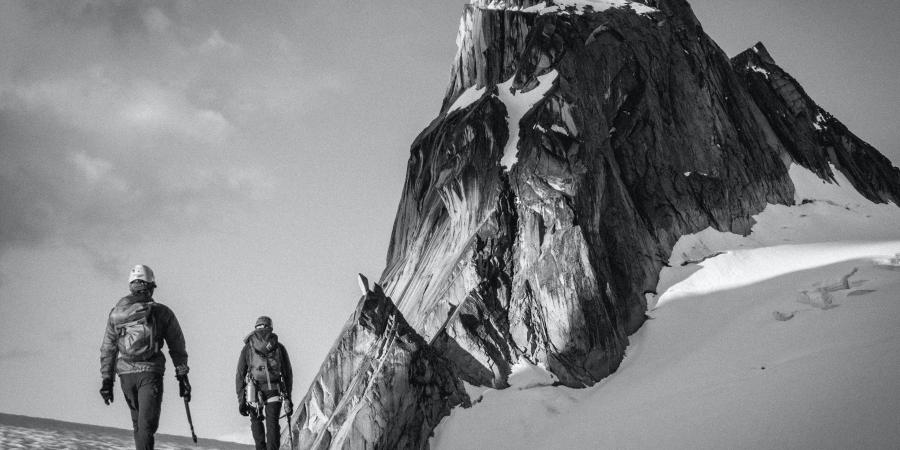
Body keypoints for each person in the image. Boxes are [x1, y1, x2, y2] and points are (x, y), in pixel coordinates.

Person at [99, 264, 191, 450]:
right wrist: (182, 374)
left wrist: (107, 381)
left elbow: (108, 348)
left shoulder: (116, 314)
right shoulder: (162, 312)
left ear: (131, 285)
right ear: (150, 285)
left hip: (125, 375)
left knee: (139, 426)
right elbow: (177, 345)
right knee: (147, 427)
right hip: (150, 373)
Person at [236, 316, 293, 450]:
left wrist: (241, 401)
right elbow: (287, 374)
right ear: (270, 328)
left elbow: (239, 375)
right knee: (272, 424)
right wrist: (288, 398)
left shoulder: (248, 348)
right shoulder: (278, 347)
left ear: (256, 328)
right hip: (274, 389)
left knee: (256, 420)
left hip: (253, 391)